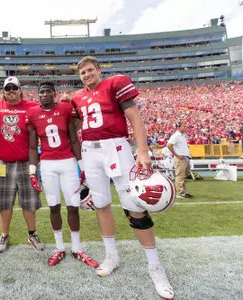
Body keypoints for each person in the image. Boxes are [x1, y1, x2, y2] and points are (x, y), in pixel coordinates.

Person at [71, 56, 174, 299]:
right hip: (90, 151)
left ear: (99, 69)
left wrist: (143, 151)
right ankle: (111, 255)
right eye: (82, 73)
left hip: (116, 148)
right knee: (101, 204)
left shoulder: (115, 84)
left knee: (135, 206)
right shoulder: (77, 97)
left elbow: (135, 118)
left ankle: (155, 267)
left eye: (89, 70)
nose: (86, 75)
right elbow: (75, 121)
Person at [26, 81, 98, 267]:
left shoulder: (65, 110)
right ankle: (59, 247)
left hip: (67, 162)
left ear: (54, 94)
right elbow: (33, 147)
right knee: (53, 206)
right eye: (41, 92)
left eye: (48, 91)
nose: (44, 95)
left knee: (73, 206)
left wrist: (82, 166)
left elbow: (75, 140)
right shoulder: (33, 114)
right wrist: (32, 173)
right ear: (38, 95)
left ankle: (77, 248)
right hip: (48, 165)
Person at [0, 76, 44, 253]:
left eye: (14, 88)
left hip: (26, 162)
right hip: (3, 163)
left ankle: (32, 233)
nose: (11, 91)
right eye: (8, 88)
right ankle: (4, 234)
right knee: (5, 202)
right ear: (3, 92)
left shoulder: (32, 107)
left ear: (20, 89)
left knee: (29, 202)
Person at [167, 122, 194, 199]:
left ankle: (183, 192)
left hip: (185, 158)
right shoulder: (176, 135)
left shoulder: (182, 136)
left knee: (183, 176)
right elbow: (169, 145)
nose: (185, 127)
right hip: (180, 158)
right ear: (178, 127)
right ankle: (180, 193)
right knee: (180, 176)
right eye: (184, 126)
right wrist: (177, 155)